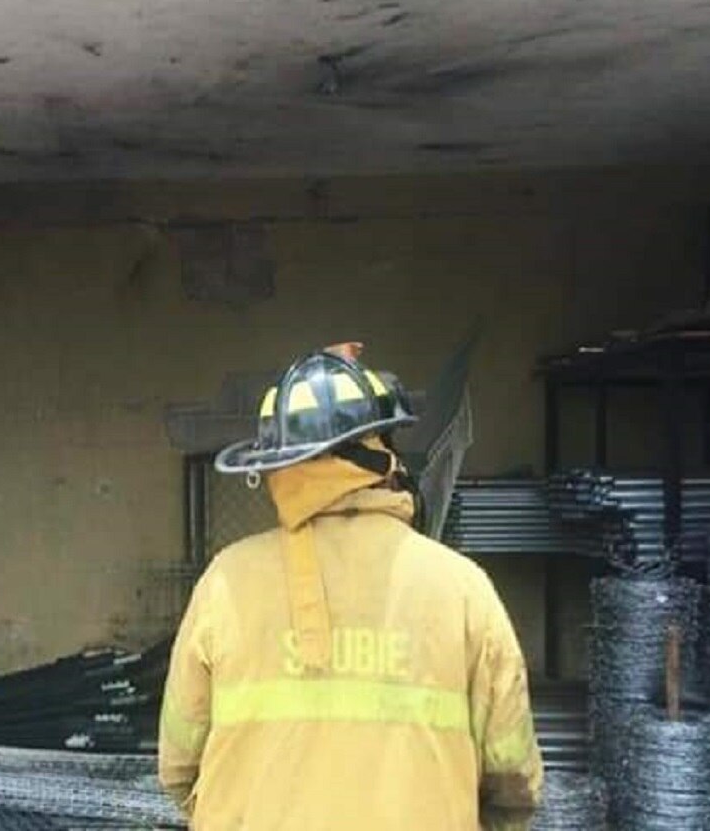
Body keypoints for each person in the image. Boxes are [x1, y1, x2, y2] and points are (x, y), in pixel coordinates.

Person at [159, 344, 542, 829]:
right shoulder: (464, 589)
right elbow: (513, 779)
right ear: (382, 453)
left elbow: (177, 767)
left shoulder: (225, 583)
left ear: (281, 466)